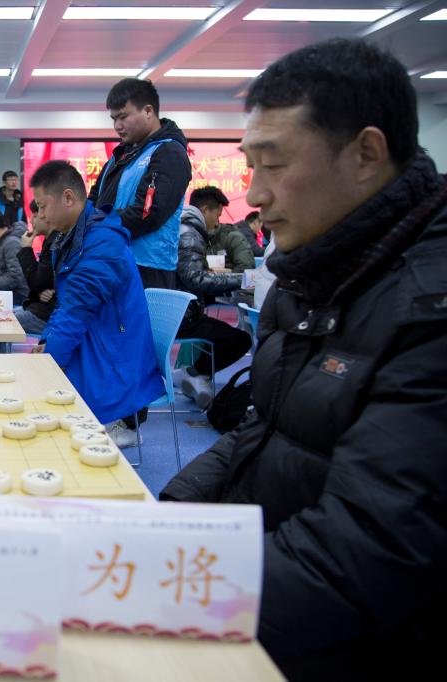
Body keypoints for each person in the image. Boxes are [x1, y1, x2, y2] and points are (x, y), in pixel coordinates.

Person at [160, 38, 447, 680]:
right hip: (266, 588)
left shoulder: (427, 308)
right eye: (249, 166)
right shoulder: (313, 271)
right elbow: (262, 431)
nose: (254, 195)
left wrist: (171, 591)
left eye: (273, 165)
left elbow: (370, 553)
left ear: (366, 154)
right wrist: (170, 515)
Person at [31, 161, 162, 448]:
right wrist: (46, 342)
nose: (40, 216)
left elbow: (74, 313)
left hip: (115, 363)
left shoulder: (102, 243)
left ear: (68, 197)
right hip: (100, 343)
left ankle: (119, 425)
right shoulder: (76, 236)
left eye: (42, 206)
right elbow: (66, 305)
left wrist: (47, 364)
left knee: (37, 411)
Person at [89, 78, 192, 290]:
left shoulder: (169, 153)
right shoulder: (120, 156)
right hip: (111, 260)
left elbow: (148, 213)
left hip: (146, 269)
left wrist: (98, 225)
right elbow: (94, 200)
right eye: (114, 119)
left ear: (148, 111)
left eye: (123, 117)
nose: (117, 126)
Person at [173, 198, 253, 408]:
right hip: (184, 315)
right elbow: (195, 278)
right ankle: (198, 373)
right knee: (240, 339)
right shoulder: (189, 234)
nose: (218, 221)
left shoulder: (178, 227)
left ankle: (197, 373)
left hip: (175, 309)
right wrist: (242, 279)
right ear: (205, 210)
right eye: (217, 214)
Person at [15, 199, 58, 336]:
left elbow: (37, 283)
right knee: (4, 317)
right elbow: (41, 284)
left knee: (4, 322)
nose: (32, 221)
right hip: (39, 307)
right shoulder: (50, 240)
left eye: (34, 216)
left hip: (46, 314)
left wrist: (26, 249)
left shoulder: (55, 243)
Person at [190, 186, 255, 272]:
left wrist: (222, 273)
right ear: (205, 210)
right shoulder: (187, 237)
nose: (217, 222)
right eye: (217, 216)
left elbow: (247, 269)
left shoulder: (231, 236)